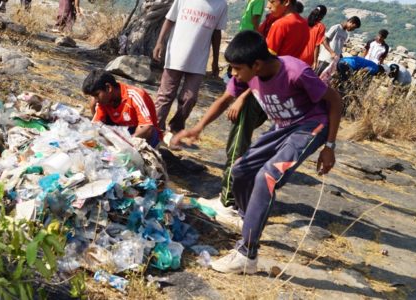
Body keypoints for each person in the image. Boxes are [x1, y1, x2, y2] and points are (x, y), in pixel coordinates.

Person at [172, 30, 342, 274]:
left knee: (267, 177)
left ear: (257, 64)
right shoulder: (248, 74)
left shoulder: (296, 72)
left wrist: (330, 146)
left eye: (236, 68)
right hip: (282, 127)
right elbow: (225, 98)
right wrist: (198, 127)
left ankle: (247, 254)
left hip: (310, 127)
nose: (233, 74)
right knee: (240, 169)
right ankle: (246, 216)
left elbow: (334, 101)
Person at [217, 0, 308, 209]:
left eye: (272, 1)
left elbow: (262, 66)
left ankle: (229, 199)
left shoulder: (280, 25)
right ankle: (242, 196)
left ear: (286, 2)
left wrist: (242, 97)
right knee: (253, 147)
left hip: (256, 93)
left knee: (238, 145)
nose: (268, 5)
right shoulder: (303, 25)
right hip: (276, 92)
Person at [152, 0, 228, 136]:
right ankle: (156, 129)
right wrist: (160, 42)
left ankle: (176, 129)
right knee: (166, 94)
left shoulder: (221, 5)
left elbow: (217, 33)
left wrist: (215, 61)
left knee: (190, 98)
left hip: (198, 58)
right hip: (176, 54)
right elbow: (170, 19)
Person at [82, 69, 162, 147]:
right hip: (124, 129)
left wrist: (127, 143)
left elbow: (146, 127)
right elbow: (96, 123)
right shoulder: (104, 101)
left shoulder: (134, 95)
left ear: (108, 88)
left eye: (96, 95)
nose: (96, 100)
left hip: (145, 133)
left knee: (147, 132)